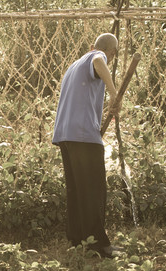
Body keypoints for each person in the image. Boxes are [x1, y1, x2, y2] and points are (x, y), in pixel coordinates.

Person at [52, 33, 120, 258]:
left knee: (77, 190)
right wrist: (113, 93)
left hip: (65, 134)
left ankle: (77, 240)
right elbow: (99, 61)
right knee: (93, 189)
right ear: (112, 53)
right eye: (112, 54)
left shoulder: (74, 66)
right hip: (83, 135)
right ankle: (99, 245)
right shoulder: (98, 56)